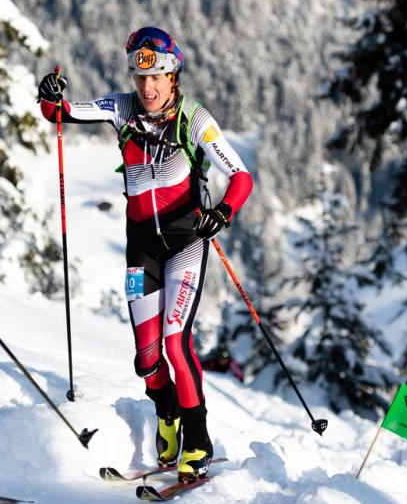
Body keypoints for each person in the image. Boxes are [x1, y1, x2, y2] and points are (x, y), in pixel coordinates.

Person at [36, 27, 253, 483]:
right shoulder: (121, 108)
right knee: (147, 358)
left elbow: (241, 176)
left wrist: (224, 213)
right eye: (139, 78)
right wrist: (50, 95)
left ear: (173, 76)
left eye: (156, 78)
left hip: (187, 242)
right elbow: (60, 113)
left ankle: (198, 442)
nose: (147, 88)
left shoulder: (194, 119)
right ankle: (167, 415)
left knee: (177, 343)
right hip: (142, 247)